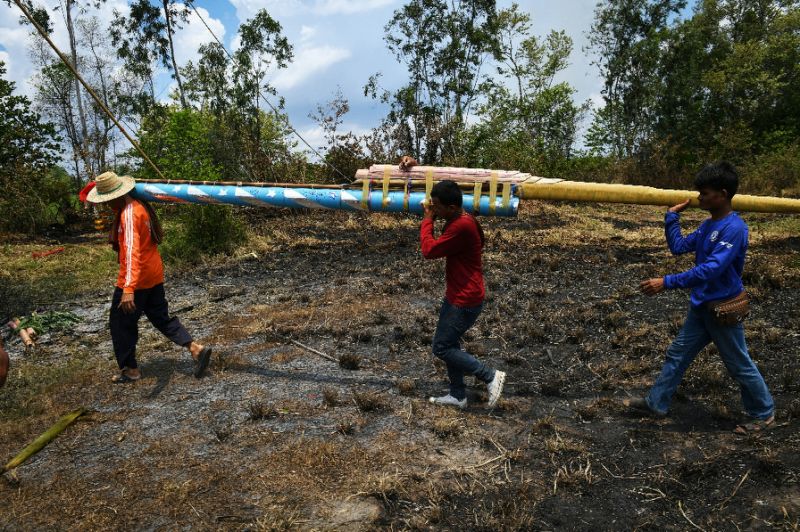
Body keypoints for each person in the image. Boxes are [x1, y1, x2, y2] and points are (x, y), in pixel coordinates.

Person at [627, 162, 774, 434]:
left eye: (704, 193)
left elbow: (712, 269)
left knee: (738, 364)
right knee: (677, 354)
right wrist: (671, 218)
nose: (699, 198)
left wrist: (666, 282)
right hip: (701, 307)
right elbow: (679, 247)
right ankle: (656, 403)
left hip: (722, 308)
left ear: (723, 193)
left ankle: (763, 413)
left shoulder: (735, 228)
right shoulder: (709, 226)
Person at [87, 171, 212, 383]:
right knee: (161, 318)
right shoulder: (141, 206)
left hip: (137, 280)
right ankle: (195, 348)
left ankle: (130, 370)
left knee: (120, 324)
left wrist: (128, 289)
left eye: (107, 201)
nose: (108, 205)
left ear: (115, 196)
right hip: (153, 275)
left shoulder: (128, 213)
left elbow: (131, 252)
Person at [420, 180, 505, 409]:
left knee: (442, 347)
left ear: (451, 206)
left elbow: (429, 250)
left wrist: (427, 219)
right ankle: (458, 395)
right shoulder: (462, 219)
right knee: (450, 345)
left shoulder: (461, 226)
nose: (433, 208)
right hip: (459, 294)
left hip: (463, 299)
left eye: (436, 206)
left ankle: (489, 375)